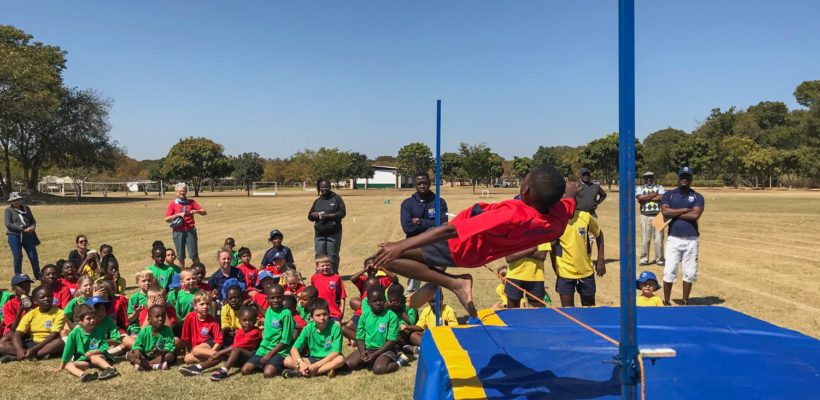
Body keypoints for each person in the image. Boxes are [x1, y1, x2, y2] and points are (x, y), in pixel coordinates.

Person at [373, 165, 580, 319]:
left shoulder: (514, 214)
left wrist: (401, 245)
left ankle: (455, 283)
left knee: (383, 259)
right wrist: (570, 194)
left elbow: (451, 230)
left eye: (525, 178)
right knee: (399, 258)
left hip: (459, 245)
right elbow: (570, 204)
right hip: (476, 253)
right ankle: (437, 278)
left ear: (525, 191)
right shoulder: (558, 219)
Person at [661, 166, 705, 306]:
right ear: (678, 178)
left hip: (691, 239)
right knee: (669, 271)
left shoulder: (698, 197)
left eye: (687, 176)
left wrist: (675, 213)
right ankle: (667, 301)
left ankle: (685, 301)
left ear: (691, 178)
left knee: (690, 272)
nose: (684, 179)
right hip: (674, 238)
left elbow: (695, 215)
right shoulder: (669, 195)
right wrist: (685, 210)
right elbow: (665, 212)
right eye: (682, 176)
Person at [400, 172, 449, 294]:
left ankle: (435, 311)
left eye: (425, 183)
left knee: (435, 284)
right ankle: (412, 312)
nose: (422, 186)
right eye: (419, 183)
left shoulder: (440, 202)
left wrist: (419, 221)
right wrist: (431, 226)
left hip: (435, 247)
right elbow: (407, 228)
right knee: (412, 287)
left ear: (430, 184)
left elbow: (442, 224)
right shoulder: (407, 204)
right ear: (414, 185)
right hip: (415, 247)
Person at [550, 209, 605, 307]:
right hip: (565, 273)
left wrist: (601, 260)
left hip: (586, 271)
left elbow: (599, 234)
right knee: (568, 312)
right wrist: (556, 269)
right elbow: (552, 247)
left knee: (589, 308)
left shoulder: (585, 216)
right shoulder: (555, 220)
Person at [52, 304, 119, 382]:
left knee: (94, 357)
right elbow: (67, 352)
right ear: (79, 321)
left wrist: (94, 352)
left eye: (94, 317)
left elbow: (104, 347)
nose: (93, 320)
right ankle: (84, 375)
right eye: (88, 319)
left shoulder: (100, 331)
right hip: (85, 361)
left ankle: (111, 369)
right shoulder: (74, 334)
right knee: (69, 365)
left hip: (101, 357)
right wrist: (60, 367)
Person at [345, 285, 402, 375]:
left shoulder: (391, 316)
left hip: (386, 350)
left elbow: (391, 341)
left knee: (379, 369)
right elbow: (360, 337)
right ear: (368, 303)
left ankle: (399, 362)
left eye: (381, 300)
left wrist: (375, 355)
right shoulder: (364, 316)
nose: (378, 303)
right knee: (348, 364)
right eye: (374, 301)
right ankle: (371, 361)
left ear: (385, 300)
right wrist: (363, 352)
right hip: (368, 349)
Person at [282, 298, 345, 378]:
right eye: (318, 315)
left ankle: (308, 372)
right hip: (312, 359)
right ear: (311, 317)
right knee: (287, 360)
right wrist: (301, 363)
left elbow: (335, 352)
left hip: (329, 359)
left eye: (325, 314)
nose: (322, 318)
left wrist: (316, 365)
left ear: (329, 314)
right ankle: (323, 370)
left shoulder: (335, 327)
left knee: (340, 359)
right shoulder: (308, 328)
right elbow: (294, 349)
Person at [240, 284, 294, 379]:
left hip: (279, 351)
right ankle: (269, 363)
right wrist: (255, 305)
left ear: (283, 297)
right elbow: (266, 313)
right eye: (272, 298)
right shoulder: (270, 309)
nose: (276, 300)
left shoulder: (286, 314)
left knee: (268, 374)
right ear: (267, 299)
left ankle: (278, 365)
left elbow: (285, 341)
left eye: (279, 297)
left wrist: (269, 354)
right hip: (264, 348)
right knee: (245, 370)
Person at [203, 307, 262, 381]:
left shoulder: (255, 332)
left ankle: (224, 370)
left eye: (251, 320)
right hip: (241, 358)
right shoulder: (239, 332)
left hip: (253, 357)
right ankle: (199, 367)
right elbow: (234, 347)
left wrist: (220, 352)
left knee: (230, 351)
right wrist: (221, 354)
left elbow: (236, 347)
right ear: (240, 321)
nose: (247, 323)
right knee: (223, 354)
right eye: (244, 320)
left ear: (255, 321)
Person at [10, 285, 65, 361]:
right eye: (42, 297)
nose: (46, 299)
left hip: (47, 343)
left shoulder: (59, 313)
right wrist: (19, 349)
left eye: (49, 296)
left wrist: (32, 350)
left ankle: (22, 357)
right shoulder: (31, 313)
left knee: (59, 342)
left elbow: (53, 335)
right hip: (32, 342)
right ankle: (28, 355)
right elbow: (18, 333)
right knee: (2, 346)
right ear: (35, 301)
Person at [308, 177, 346, 274]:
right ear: (319, 188)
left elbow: (342, 213)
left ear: (330, 186)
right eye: (322, 187)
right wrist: (314, 215)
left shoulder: (336, 199)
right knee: (319, 256)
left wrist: (328, 216)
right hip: (319, 234)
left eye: (326, 186)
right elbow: (310, 216)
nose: (324, 189)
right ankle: (319, 276)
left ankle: (333, 275)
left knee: (332, 256)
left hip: (333, 234)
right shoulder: (317, 201)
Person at [164, 182, 207, 268]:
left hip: (190, 231)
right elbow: (166, 219)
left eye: (184, 191)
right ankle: (182, 275)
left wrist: (196, 211)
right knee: (180, 256)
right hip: (178, 232)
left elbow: (204, 212)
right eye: (180, 191)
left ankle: (197, 274)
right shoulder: (173, 204)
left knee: (194, 254)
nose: (182, 193)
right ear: (176, 192)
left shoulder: (191, 202)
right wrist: (177, 215)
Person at [178, 291, 223, 371]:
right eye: (202, 304)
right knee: (187, 358)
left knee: (196, 350)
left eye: (208, 304)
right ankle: (213, 361)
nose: (205, 306)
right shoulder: (190, 317)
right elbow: (186, 337)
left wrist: (212, 352)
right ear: (195, 306)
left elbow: (219, 340)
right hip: (198, 349)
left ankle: (221, 356)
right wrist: (187, 351)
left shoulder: (213, 321)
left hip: (209, 344)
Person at [127, 304, 176, 370]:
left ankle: (146, 365)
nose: (161, 319)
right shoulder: (144, 331)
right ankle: (155, 366)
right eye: (157, 316)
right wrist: (137, 350)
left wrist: (159, 351)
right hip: (145, 356)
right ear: (149, 320)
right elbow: (137, 345)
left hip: (161, 355)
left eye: (163, 317)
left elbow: (170, 346)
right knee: (130, 354)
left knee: (170, 356)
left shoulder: (168, 330)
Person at [5, 192, 40, 279]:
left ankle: (38, 275)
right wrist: (22, 229)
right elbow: (8, 224)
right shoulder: (8, 211)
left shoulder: (26, 208)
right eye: (14, 200)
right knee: (18, 256)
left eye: (18, 199)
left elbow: (32, 220)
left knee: (33, 256)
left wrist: (32, 227)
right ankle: (18, 276)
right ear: (11, 202)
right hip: (14, 235)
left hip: (28, 235)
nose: (17, 201)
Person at [504, 243, 551, 308]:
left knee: (536, 313)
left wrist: (519, 250)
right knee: (512, 312)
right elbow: (509, 258)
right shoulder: (513, 234)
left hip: (536, 277)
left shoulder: (543, 234)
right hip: (514, 276)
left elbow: (541, 255)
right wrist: (532, 249)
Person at [636, 171, 665, 266]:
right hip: (645, 215)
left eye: (651, 177)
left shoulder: (660, 187)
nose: (649, 179)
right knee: (645, 239)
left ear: (654, 178)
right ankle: (644, 260)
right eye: (647, 177)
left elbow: (662, 197)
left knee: (659, 239)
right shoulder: (640, 188)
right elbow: (639, 197)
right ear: (644, 179)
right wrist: (654, 195)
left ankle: (660, 260)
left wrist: (646, 198)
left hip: (659, 215)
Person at [310, 254, 346, 324]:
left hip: (334, 312)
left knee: (336, 329)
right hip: (319, 312)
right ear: (317, 267)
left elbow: (342, 296)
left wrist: (342, 311)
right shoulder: (314, 278)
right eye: (322, 266)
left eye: (327, 265)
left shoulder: (336, 278)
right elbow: (312, 296)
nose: (325, 267)